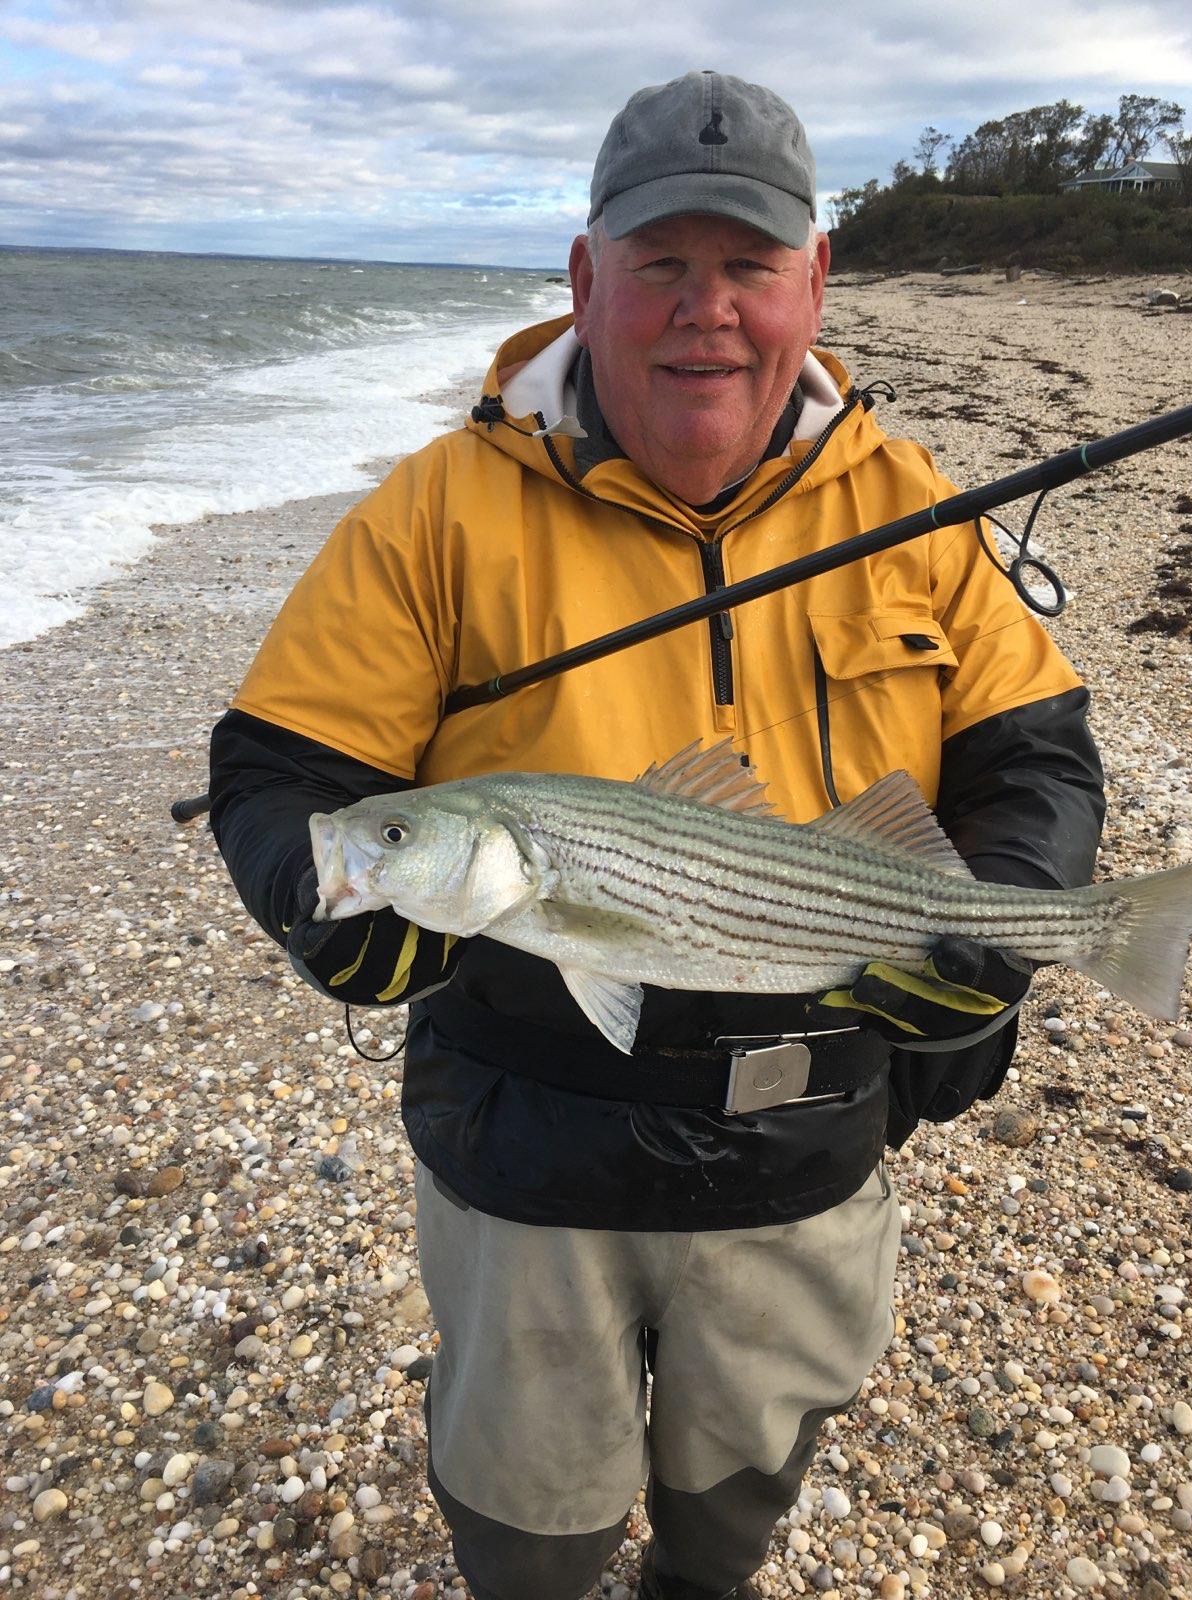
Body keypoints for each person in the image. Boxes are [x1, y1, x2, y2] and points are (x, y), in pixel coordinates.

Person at [210, 71, 1105, 1600]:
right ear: (585, 276)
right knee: (526, 1522)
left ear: (814, 280)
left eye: (750, 264)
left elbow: (1034, 755)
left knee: (739, 1496)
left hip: (817, 1134)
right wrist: (319, 884)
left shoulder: (910, 503)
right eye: (663, 263)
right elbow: (281, 766)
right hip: (525, 1149)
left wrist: (1006, 919)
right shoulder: (437, 511)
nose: (709, 310)